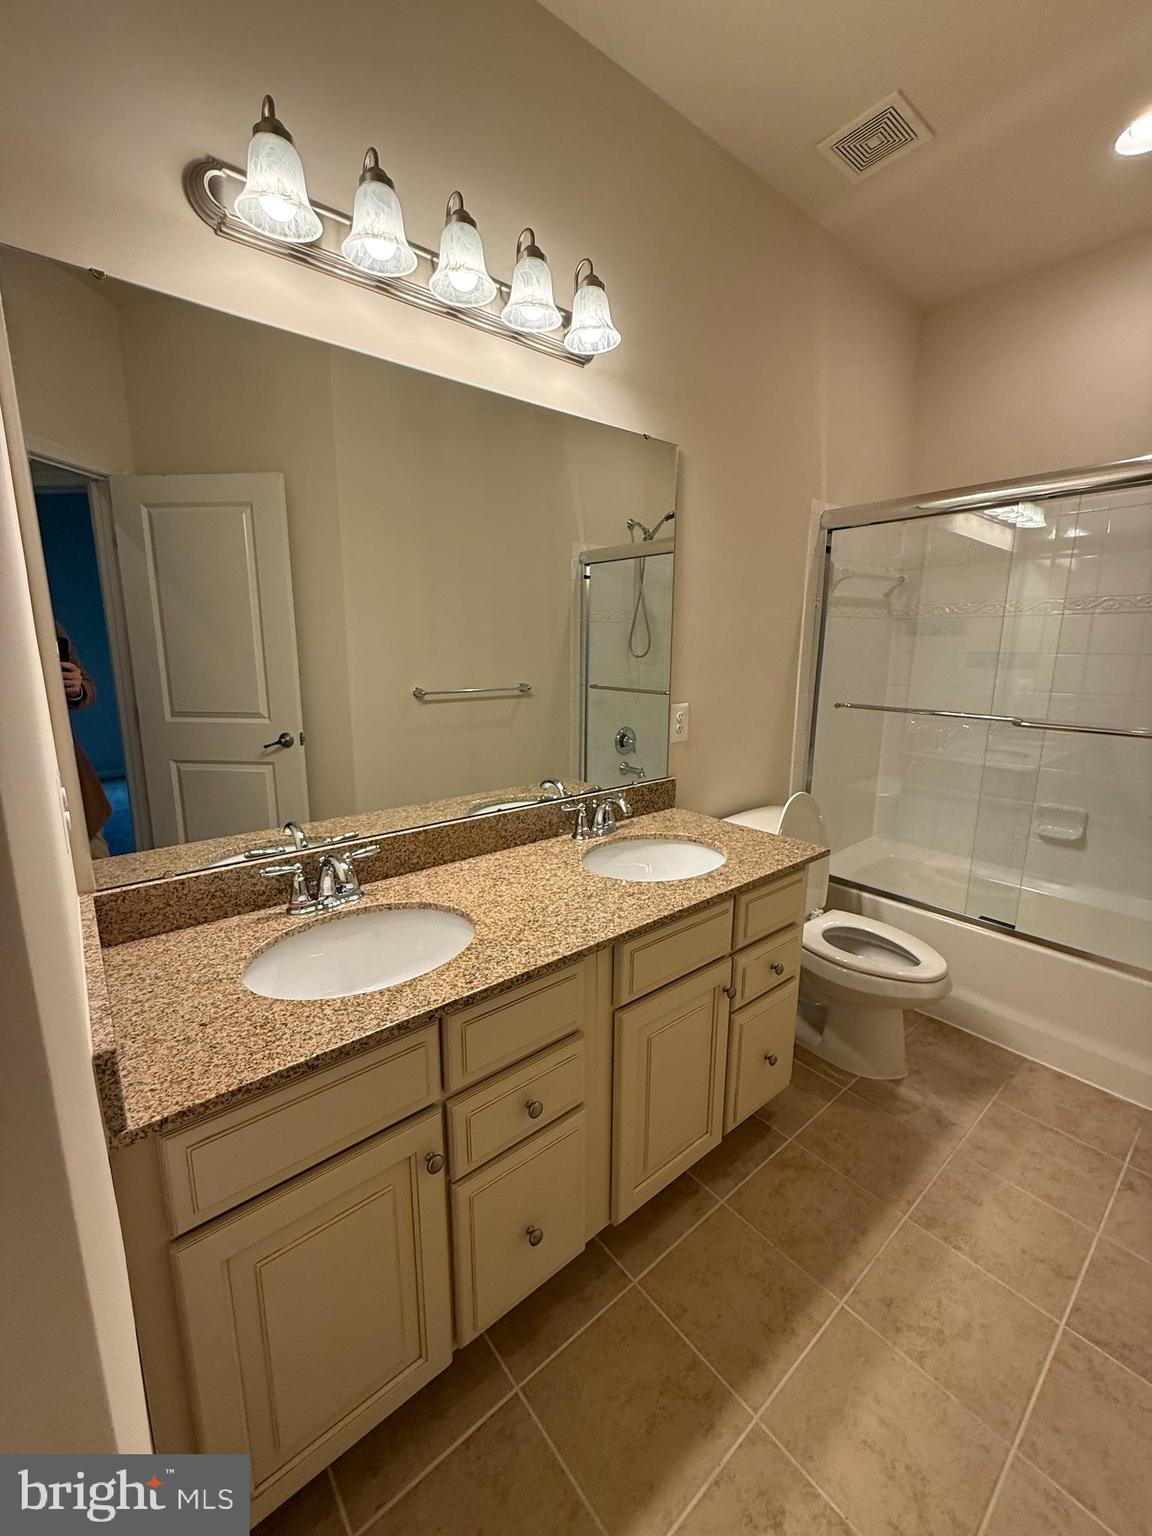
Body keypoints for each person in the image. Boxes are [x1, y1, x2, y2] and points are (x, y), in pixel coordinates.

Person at [56, 621, 112, 858]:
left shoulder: (42, 621)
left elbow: (85, 684)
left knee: (96, 857)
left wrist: (76, 687)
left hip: (64, 756)